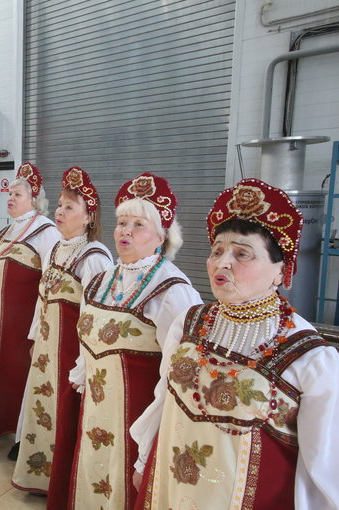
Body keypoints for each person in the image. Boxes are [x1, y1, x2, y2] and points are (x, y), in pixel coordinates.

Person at [132, 179, 339, 509]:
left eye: (242, 254)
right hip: (169, 486)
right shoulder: (189, 322)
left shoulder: (310, 356)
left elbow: (324, 466)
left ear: (280, 273)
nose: (222, 262)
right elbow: (163, 399)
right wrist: (144, 460)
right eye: (217, 251)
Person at [68, 172, 202, 510]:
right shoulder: (100, 280)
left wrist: (149, 449)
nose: (125, 231)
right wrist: (80, 379)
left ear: (161, 236)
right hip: (95, 411)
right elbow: (85, 343)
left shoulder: (174, 291)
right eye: (122, 222)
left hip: (137, 421)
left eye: (138, 224)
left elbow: (175, 378)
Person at [9, 167, 112, 502]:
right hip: (45, 349)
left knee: (64, 414)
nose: (60, 211)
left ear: (88, 217)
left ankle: (60, 480)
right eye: (60, 205)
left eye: (70, 207)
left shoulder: (95, 257)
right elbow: (43, 300)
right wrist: (33, 338)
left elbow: (94, 319)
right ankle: (39, 472)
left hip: (70, 354)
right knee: (42, 408)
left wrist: (85, 365)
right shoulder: (57, 249)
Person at [0, 163, 60, 439]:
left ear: (35, 200)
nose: (10, 197)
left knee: (15, 375)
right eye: (9, 193)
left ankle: (19, 435)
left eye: (18, 194)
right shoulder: (5, 231)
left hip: (19, 326)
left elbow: (51, 284)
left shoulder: (46, 232)